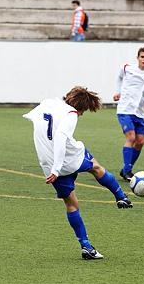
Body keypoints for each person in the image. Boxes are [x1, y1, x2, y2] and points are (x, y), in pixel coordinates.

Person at [23, 86, 133, 260]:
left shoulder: (47, 103)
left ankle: (86, 247)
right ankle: (121, 196)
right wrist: (58, 168)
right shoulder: (71, 114)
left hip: (47, 162)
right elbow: (60, 137)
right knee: (96, 167)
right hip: (66, 157)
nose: (81, 114)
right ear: (80, 107)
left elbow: (33, 117)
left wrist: (54, 168)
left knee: (71, 204)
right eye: (84, 110)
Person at [114, 47, 144, 181]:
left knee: (140, 142)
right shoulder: (127, 68)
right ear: (138, 58)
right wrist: (118, 91)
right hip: (124, 110)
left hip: (139, 112)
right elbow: (119, 77)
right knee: (131, 138)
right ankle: (128, 170)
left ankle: (125, 170)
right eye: (142, 57)